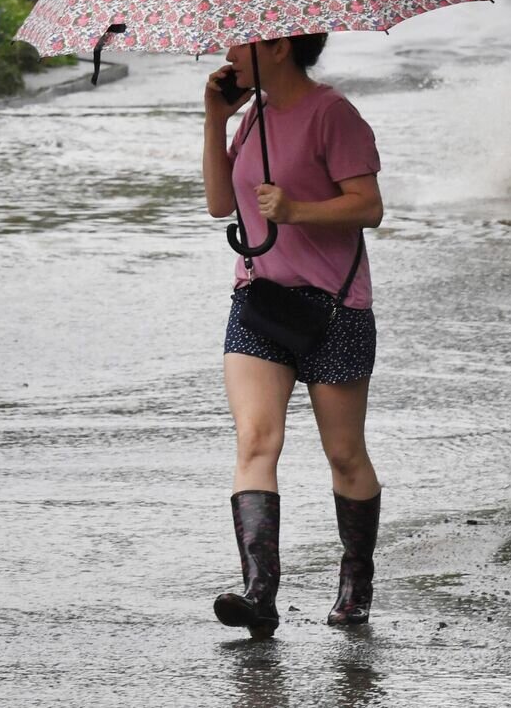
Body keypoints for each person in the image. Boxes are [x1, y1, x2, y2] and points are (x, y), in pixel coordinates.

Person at [201, 33, 384, 638]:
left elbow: (369, 207)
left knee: (344, 455)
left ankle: (356, 581)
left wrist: (298, 209)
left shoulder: (333, 115)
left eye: (241, 39)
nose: (227, 49)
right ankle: (260, 594)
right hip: (259, 301)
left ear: (278, 47)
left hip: (334, 308)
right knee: (256, 441)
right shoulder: (249, 119)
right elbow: (218, 203)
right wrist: (213, 121)